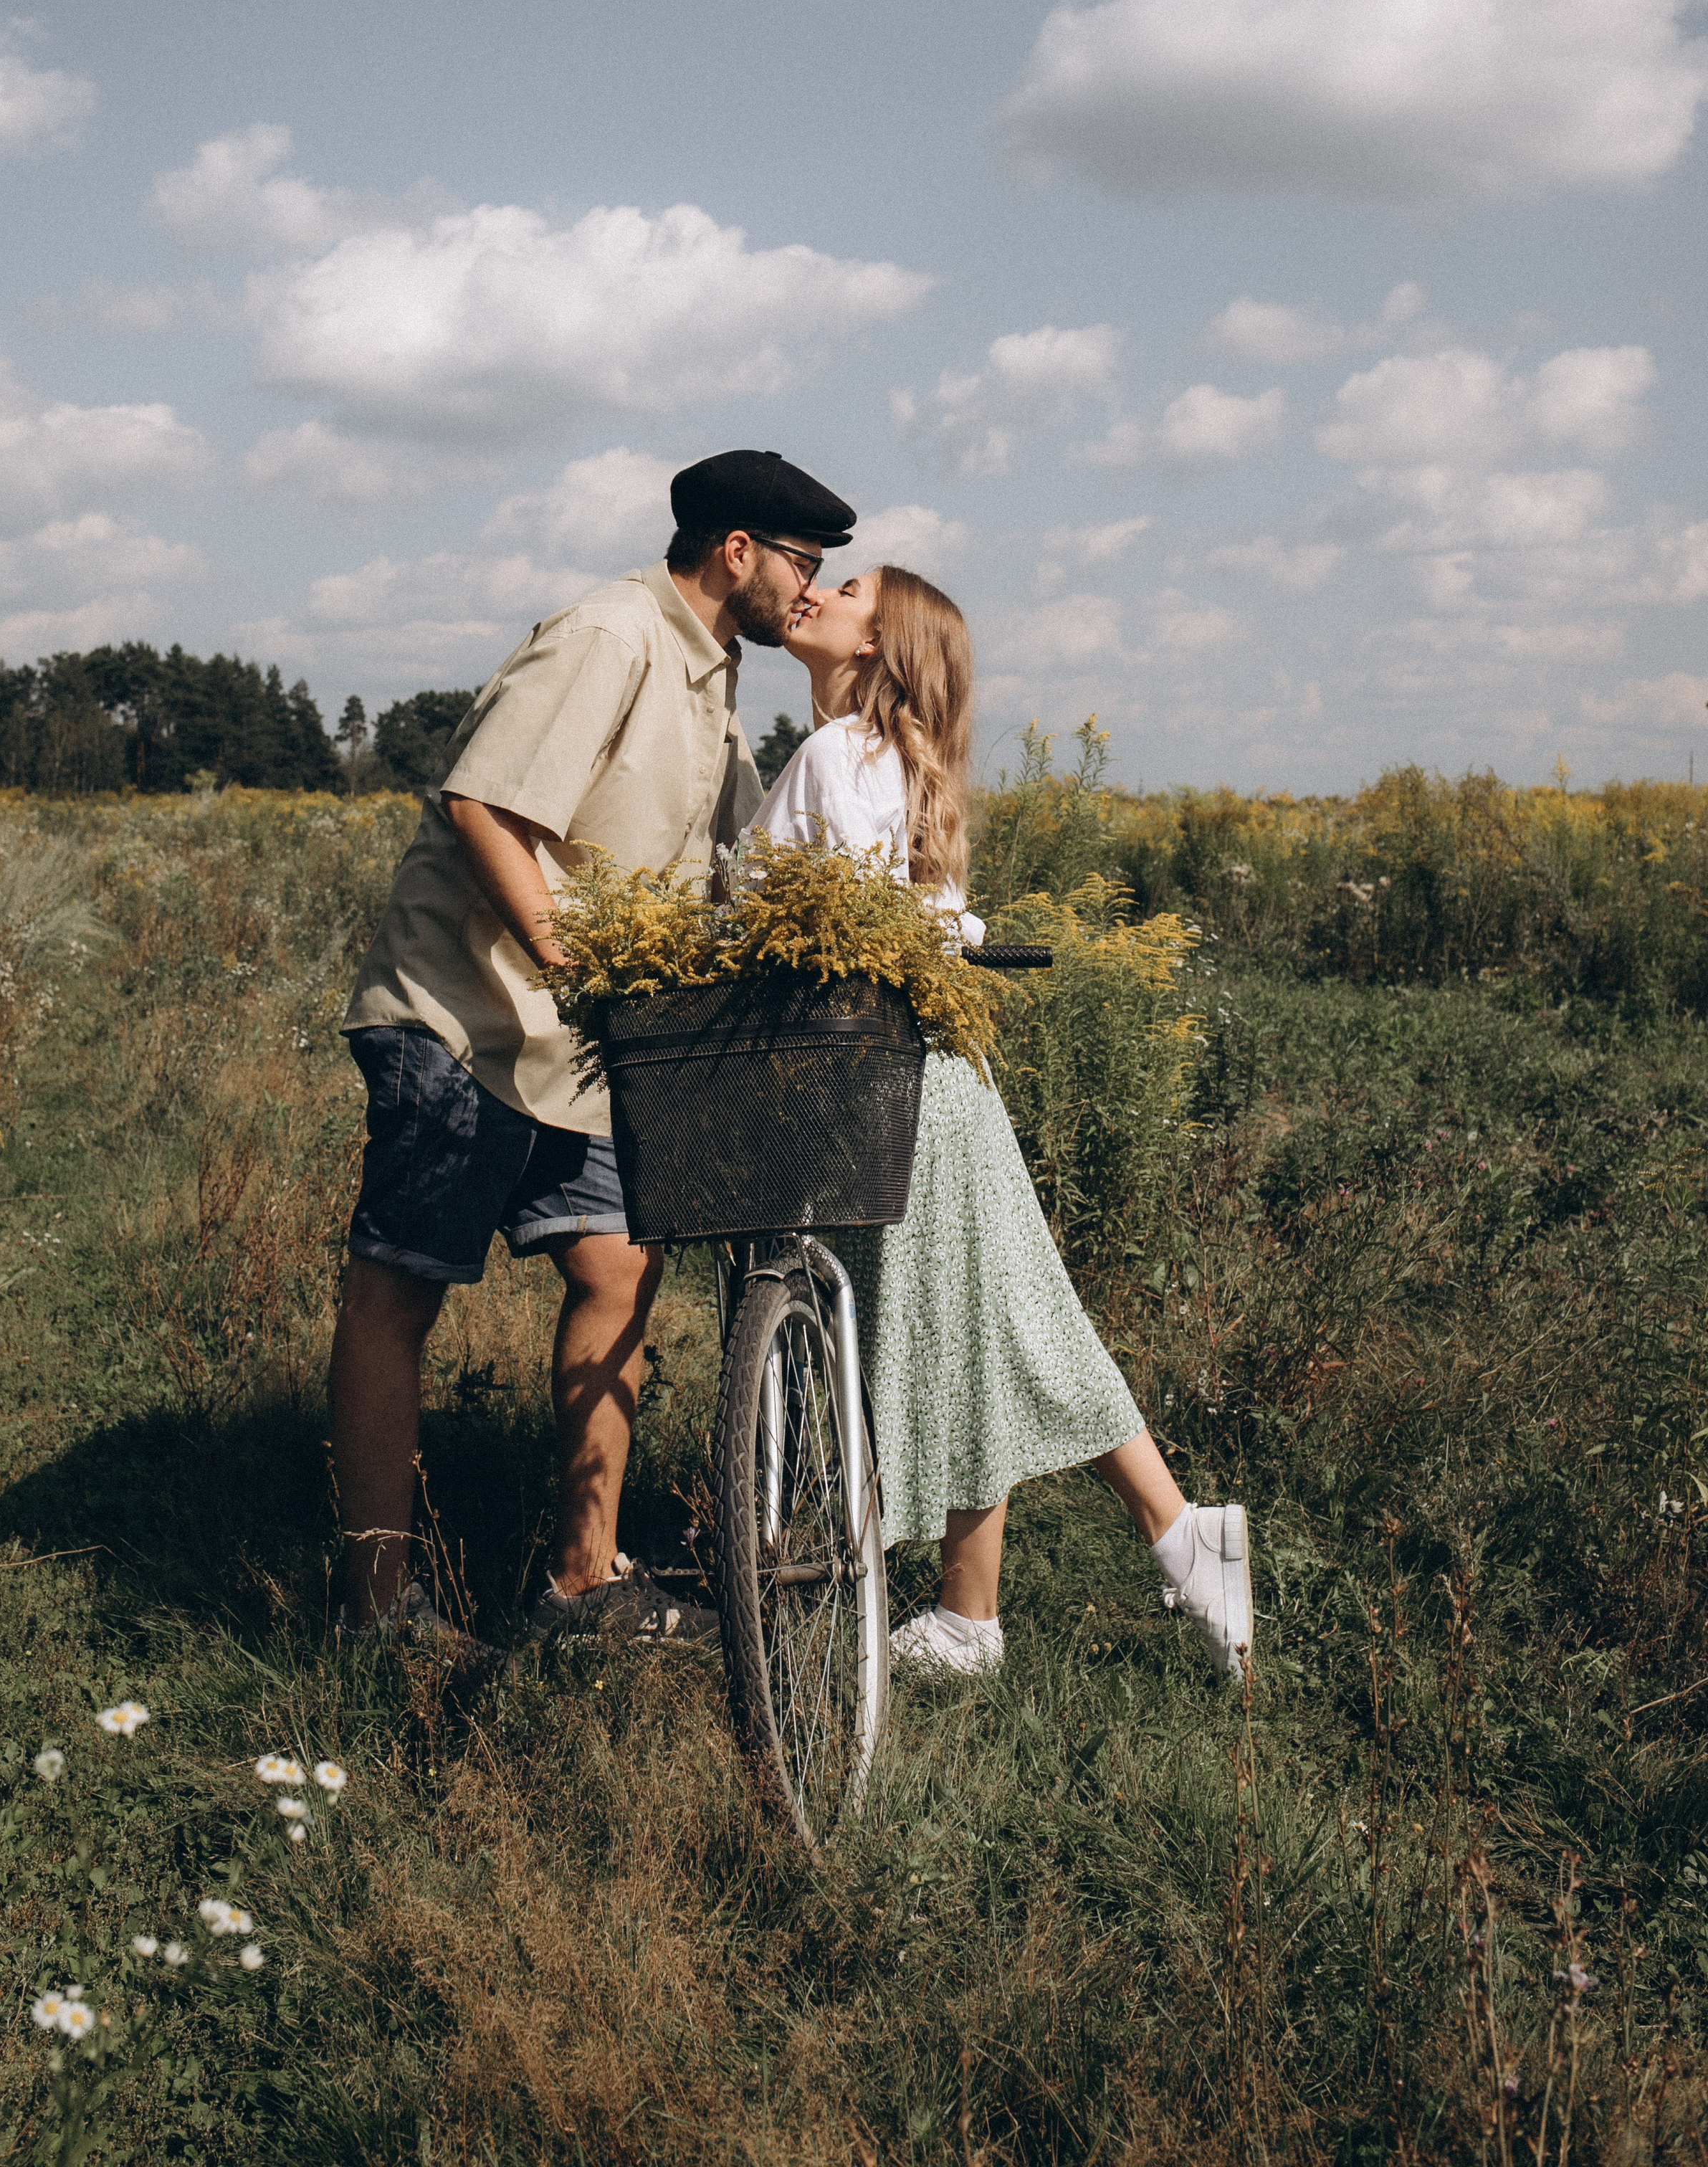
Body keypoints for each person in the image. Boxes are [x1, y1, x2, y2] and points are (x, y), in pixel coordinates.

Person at [329, 448, 857, 1650]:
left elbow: (745, 866)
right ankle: (374, 1606)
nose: (810, 588)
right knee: (400, 1290)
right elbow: (482, 804)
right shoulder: (612, 636)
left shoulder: (714, 676)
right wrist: (570, 957)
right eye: (802, 564)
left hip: (582, 1046)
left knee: (619, 1269)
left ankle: (582, 1584)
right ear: (738, 552)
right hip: (465, 1019)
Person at [750, 563, 1253, 1682]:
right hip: (941, 1075)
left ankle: (1057, 1582)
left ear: (877, 643)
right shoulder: (891, 760)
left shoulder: (835, 756)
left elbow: (805, 919)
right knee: (996, 1323)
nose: (814, 590)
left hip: (886, 1083)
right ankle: (1072, 1576)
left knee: (978, 1327)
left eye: (844, 589)